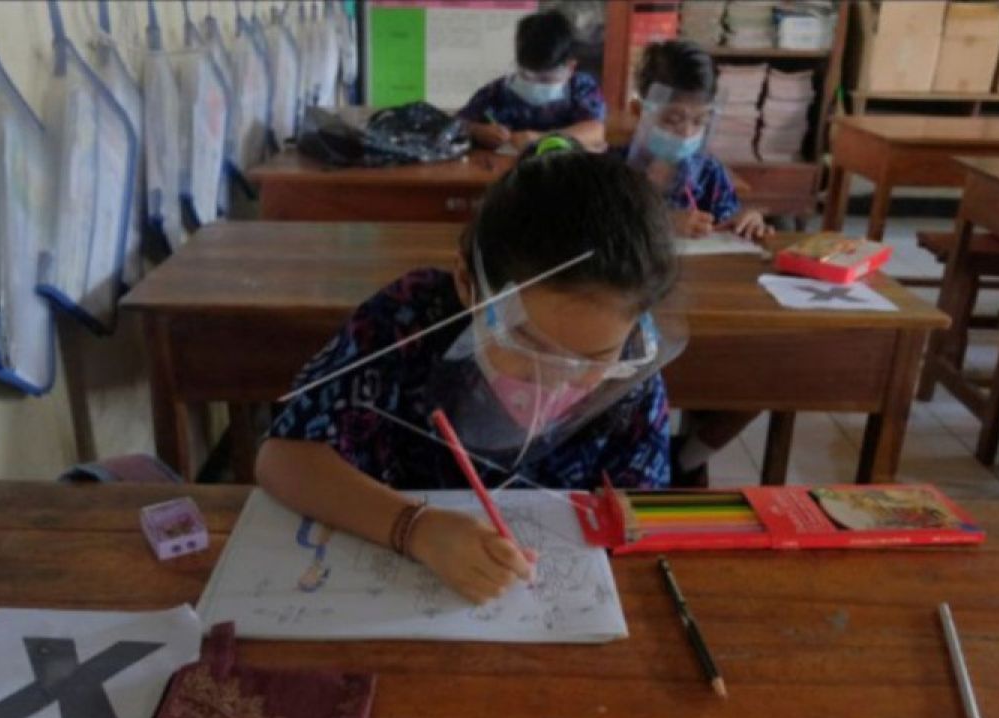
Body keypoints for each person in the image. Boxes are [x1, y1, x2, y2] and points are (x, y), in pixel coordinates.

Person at [256, 139, 678, 605]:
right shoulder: (409, 320)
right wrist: (415, 528)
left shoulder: (631, 368)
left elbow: (642, 518)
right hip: (398, 590)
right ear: (466, 283)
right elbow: (283, 459)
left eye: (594, 358)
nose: (555, 381)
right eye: (527, 345)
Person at [633, 40, 772, 240]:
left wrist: (744, 221)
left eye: (700, 121)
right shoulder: (613, 173)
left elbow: (727, 220)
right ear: (639, 112)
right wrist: (663, 224)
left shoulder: (709, 173)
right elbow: (599, 233)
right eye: (672, 120)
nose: (687, 132)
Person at [457, 9, 606, 152]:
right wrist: (477, 131)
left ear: (570, 67)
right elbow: (455, 125)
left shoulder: (580, 87)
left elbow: (596, 130)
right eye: (527, 76)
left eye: (546, 79)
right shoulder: (497, 91)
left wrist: (542, 139)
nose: (536, 84)